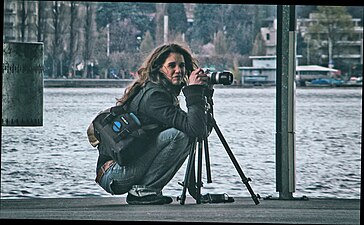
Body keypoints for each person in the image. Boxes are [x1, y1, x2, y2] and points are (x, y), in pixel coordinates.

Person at [88, 43, 214, 205]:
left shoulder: (160, 92)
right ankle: (143, 192)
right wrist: (194, 92)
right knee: (178, 135)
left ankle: (144, 190)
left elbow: (199, 131)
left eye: (182, 65)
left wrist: (206, 93)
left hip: (121, 168)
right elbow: (194, 130)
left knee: (183, 133)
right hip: (114, 173)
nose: (179, 70)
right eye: (172, 65)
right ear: (159, 68)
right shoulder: (154, 97)